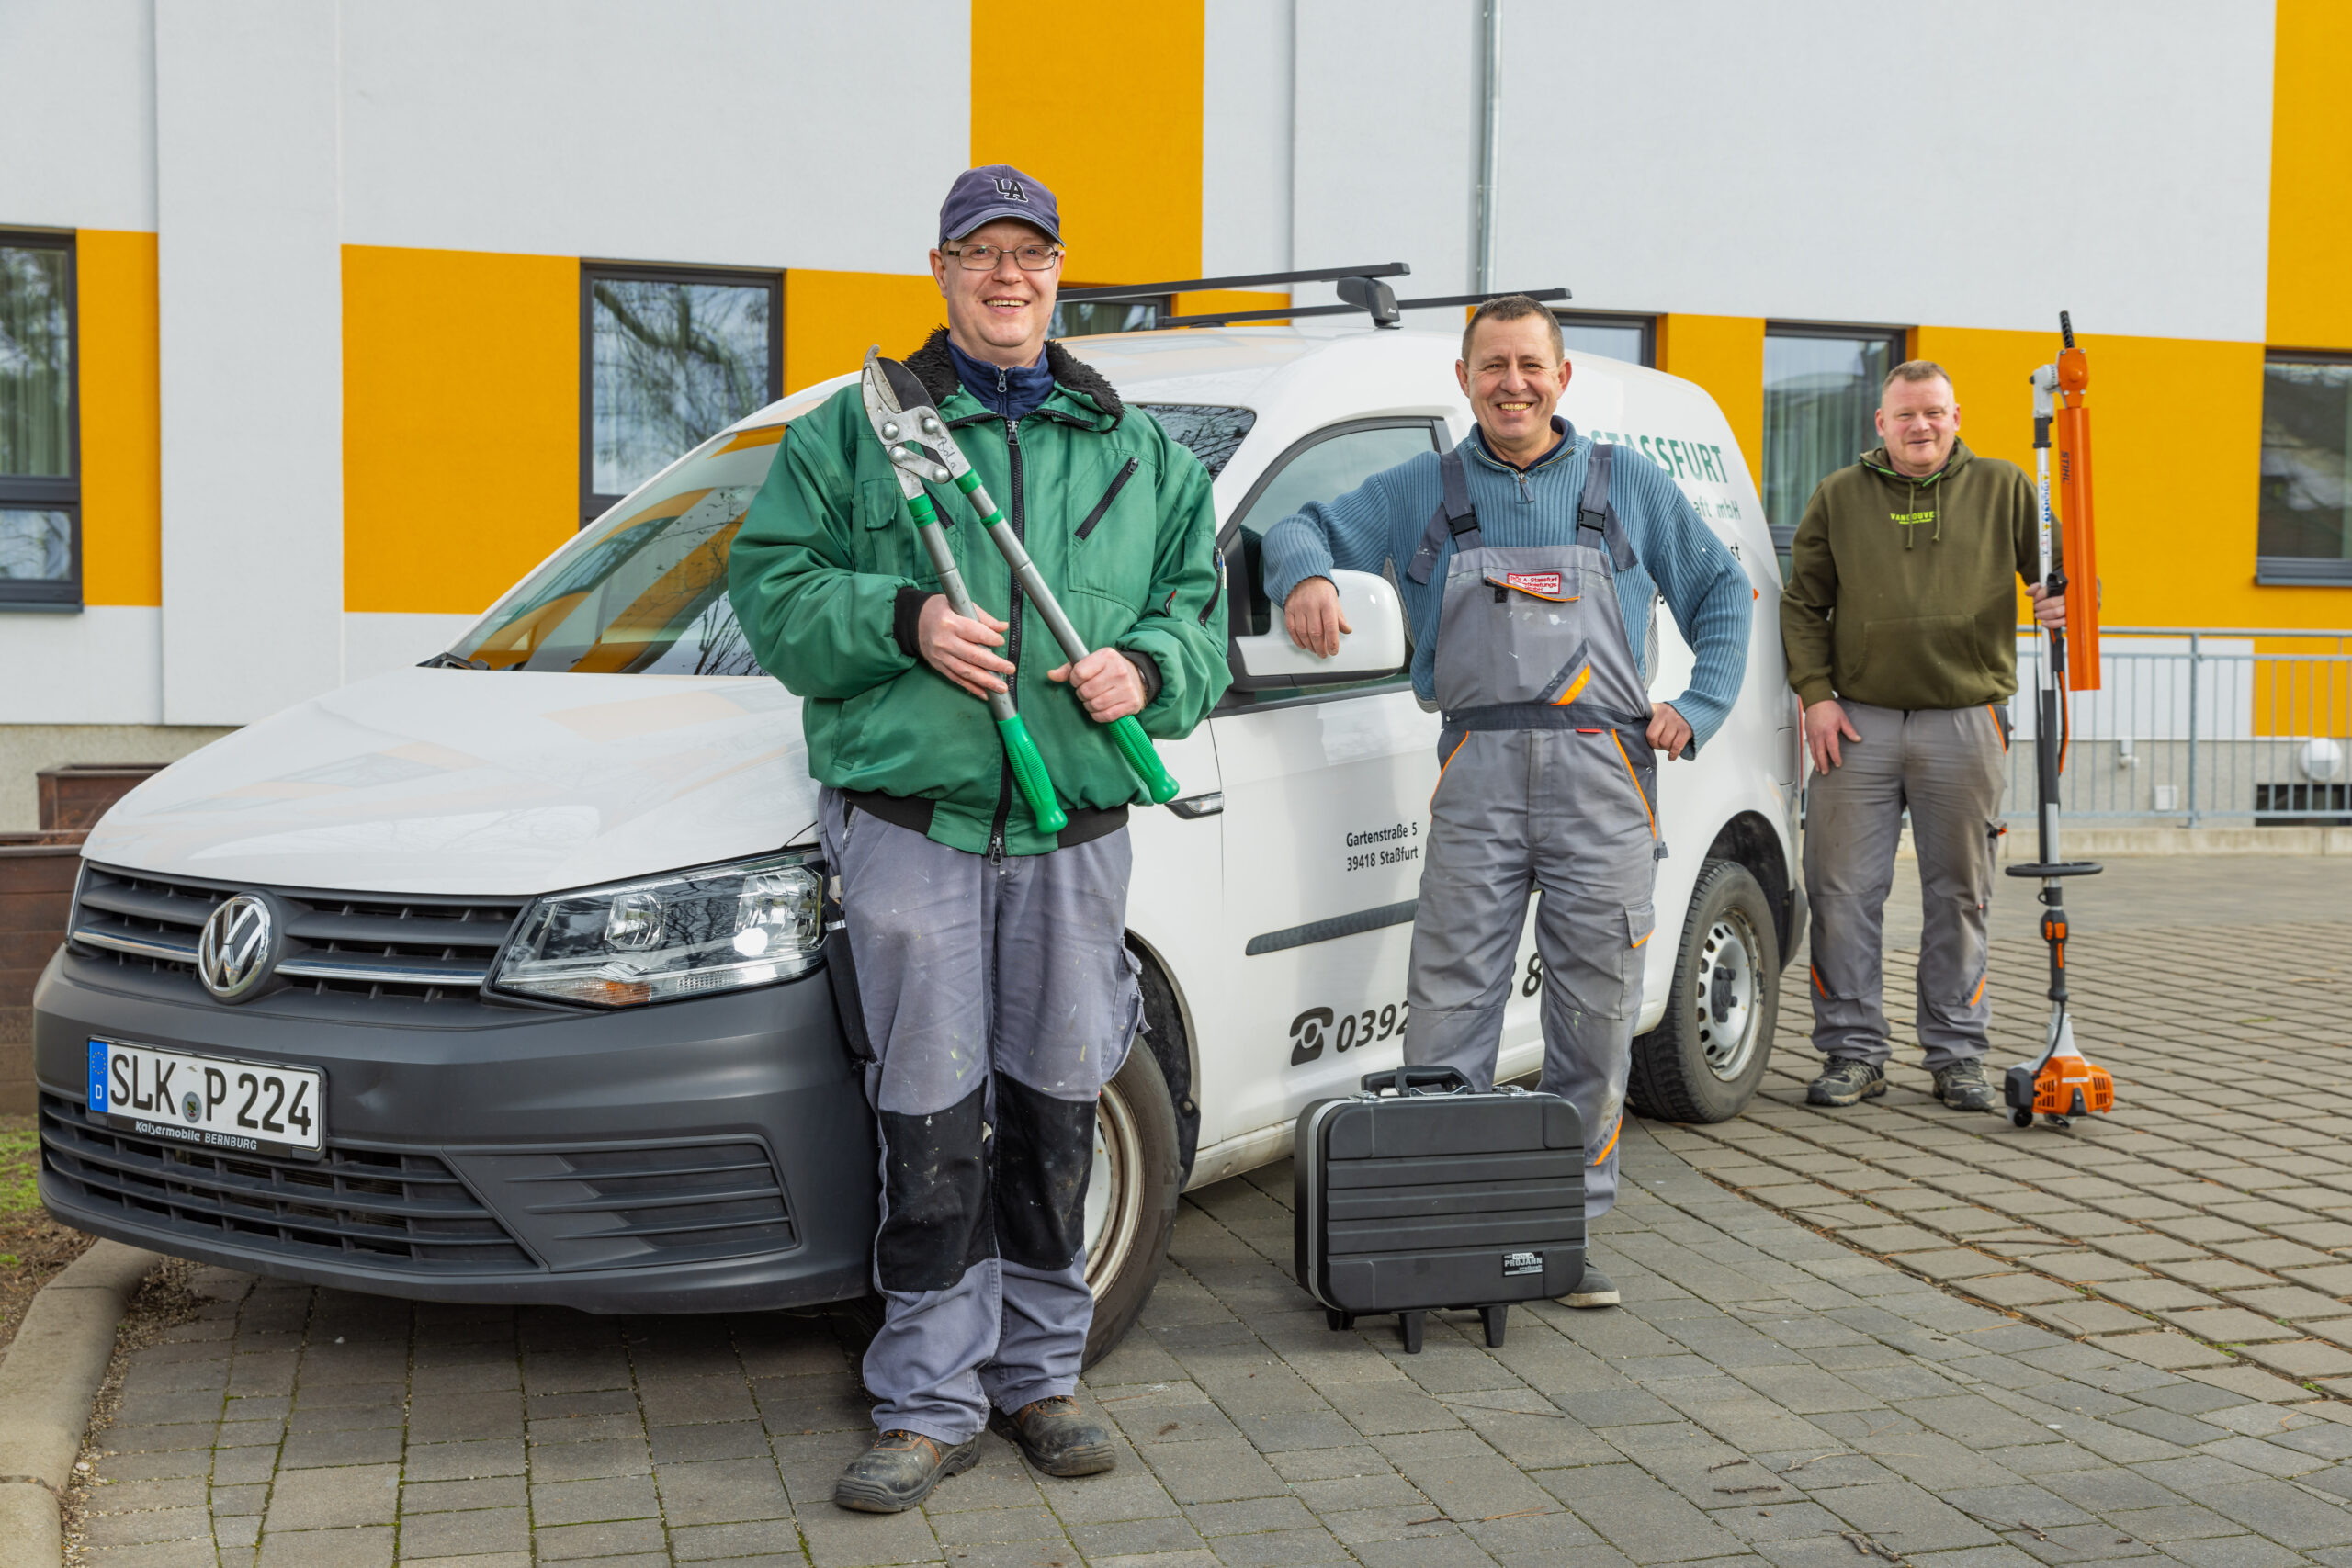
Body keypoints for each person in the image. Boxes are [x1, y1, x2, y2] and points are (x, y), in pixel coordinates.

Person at [728, 164, 1229, 1513]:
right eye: (980, 252)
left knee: (1063, 1106)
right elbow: (774, 592)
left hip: (1077, 833)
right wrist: (906, 621)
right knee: (933, 1114)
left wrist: (1151, 669)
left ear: (1061, 271)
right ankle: (926, 1396)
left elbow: (1199, 613)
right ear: (940, 270)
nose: (1008, 276)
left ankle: (1043, 1374)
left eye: (1031, 252)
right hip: (916, 829)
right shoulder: (850, 438)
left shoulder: (1145, 454)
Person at [1267, 296, 1753, 1308]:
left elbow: (1720, 592)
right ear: (1464, 379)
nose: (1512, 384)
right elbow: (1298, 524)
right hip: (1478, 770)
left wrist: (1698, 704)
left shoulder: (1625, 485)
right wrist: (1306, 576)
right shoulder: (1426, 490)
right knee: (1449, 1007)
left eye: (1530, 365)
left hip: (1603, 776)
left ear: (1562, 377)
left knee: (1595, 1013)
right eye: (1492, 366)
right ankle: (1444, 1230)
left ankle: (1563, 1229)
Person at [1781, 359, 2065, 1112]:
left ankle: (1958, 1054)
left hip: (1966, 720)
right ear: (1881, 423)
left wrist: (2064, 597)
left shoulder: (2006, 488)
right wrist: (1815, 695)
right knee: (1840, 891)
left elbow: (2063, 575)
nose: (1920, 426)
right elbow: (1803, 604)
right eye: (1905, 414)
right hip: (1858, 722)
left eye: (1934, 412)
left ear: (1956, 416)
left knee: (1961, 894)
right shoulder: (1839, 497)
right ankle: (1853, 1052)